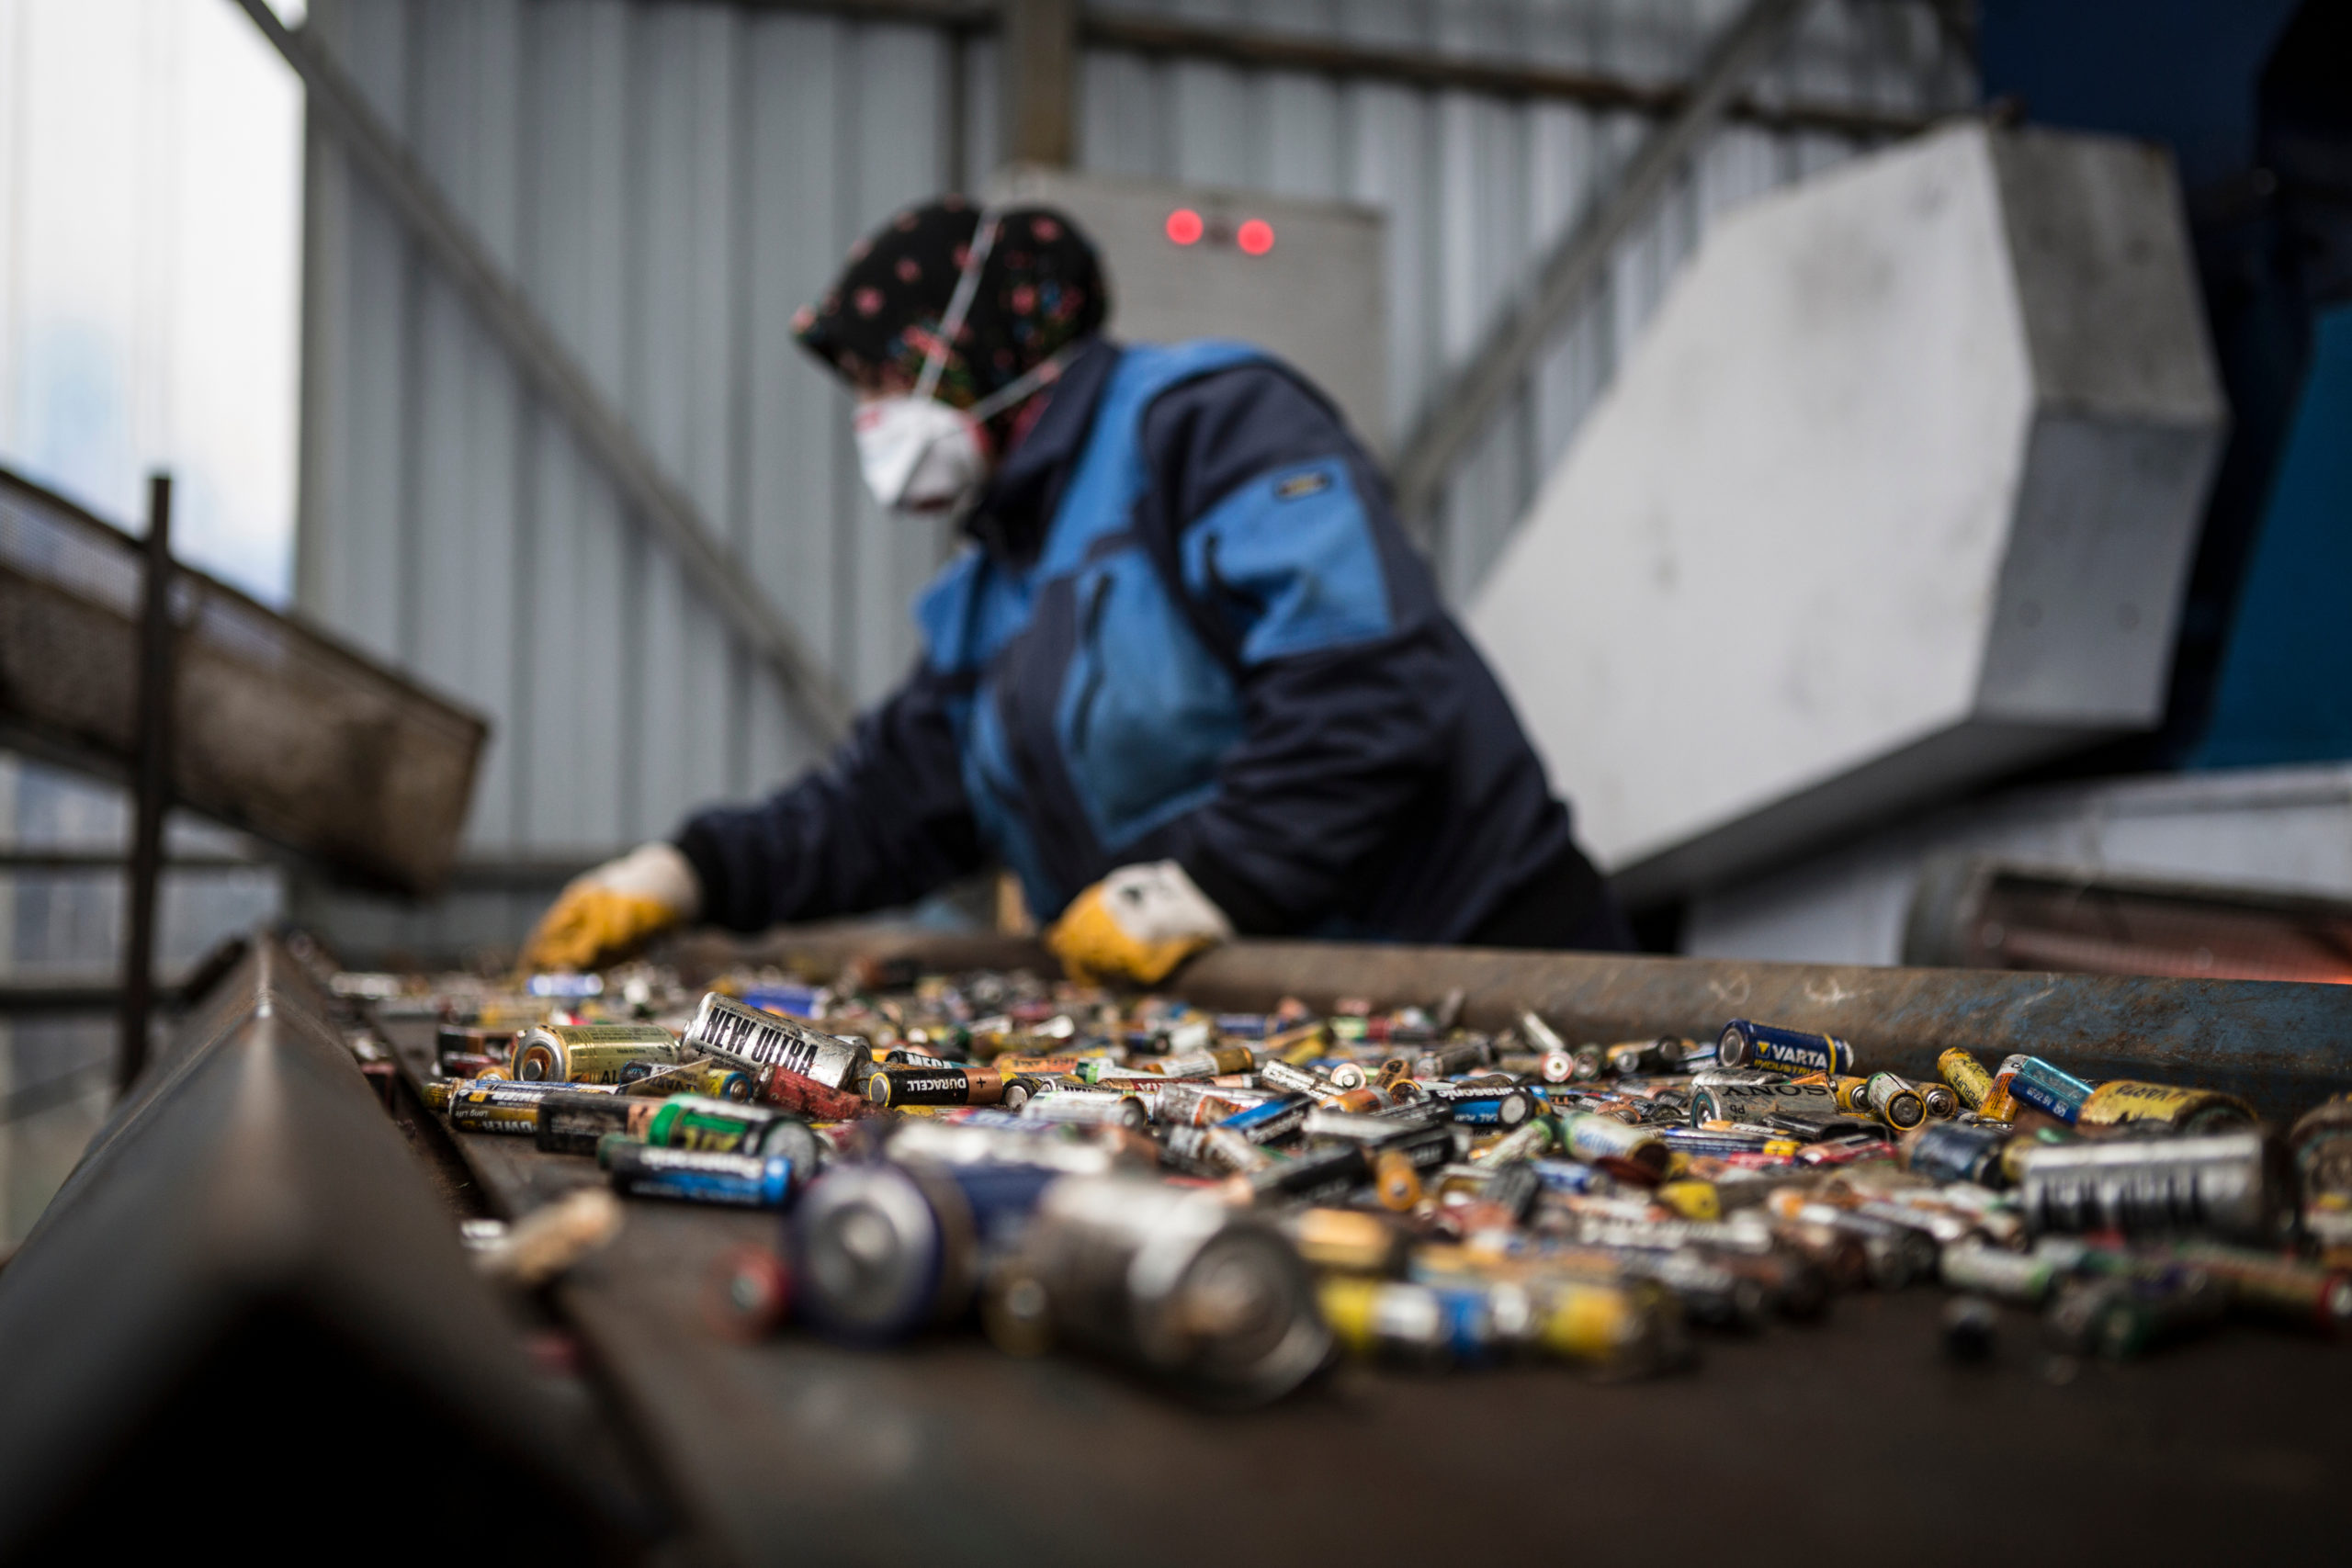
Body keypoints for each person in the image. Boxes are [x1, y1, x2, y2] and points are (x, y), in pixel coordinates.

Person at [520, 197, 1627, 985]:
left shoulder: (1207, 429)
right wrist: (692, 869)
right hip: (1290, 1017)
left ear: (984, 344)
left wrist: (1215, 880)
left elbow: (1366, 684)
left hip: (1484, 970)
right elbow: (890, 807)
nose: (873, 419)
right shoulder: (992, 584)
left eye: (887, 377)